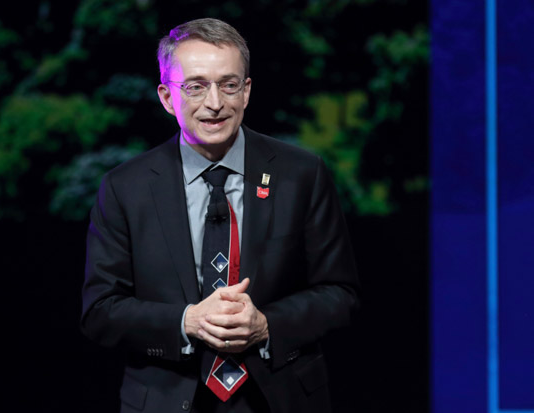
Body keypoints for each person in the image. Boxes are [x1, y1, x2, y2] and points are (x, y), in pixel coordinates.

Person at [81, 18, 359, 413]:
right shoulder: (125, 188)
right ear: (166, 97)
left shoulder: (302, 174)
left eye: (229, 84)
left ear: (246, 92)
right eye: (195, 86)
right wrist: (187, 321)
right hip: (167, 400)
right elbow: (99, 311)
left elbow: (341, 294)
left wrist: (267, 325)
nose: (215, 102)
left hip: (280, 397)